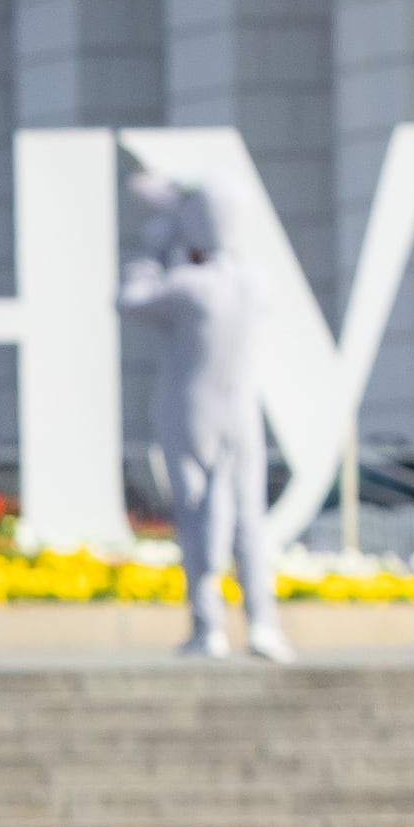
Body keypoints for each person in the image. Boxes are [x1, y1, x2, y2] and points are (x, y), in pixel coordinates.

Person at [120, 172, 285, 661]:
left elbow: (128, 301)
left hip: (191, 409)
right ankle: (263, 626)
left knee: (196, 515)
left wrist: (155, 251)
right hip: (242, 413)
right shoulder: (254, 283)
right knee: (247, 520)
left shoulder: (187, 286)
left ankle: (207, 626)